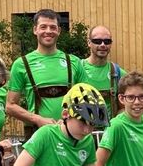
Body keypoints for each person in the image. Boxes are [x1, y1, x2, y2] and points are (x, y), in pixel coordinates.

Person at [6, 9, 88, 138]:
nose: (48, 31)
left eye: (53, 27)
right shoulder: (21, 64)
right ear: (35, 30)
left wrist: (71, 119)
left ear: (59, 31)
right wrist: (37, 119)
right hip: (37, 135)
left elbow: (86, 99)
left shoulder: (74, 62)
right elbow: (10, 106)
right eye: (43, 27)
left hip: (71, 134)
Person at [83, 24, 128, 116]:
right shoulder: (78, 69)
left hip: (110, 128)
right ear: (89, 42)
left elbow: (127, 105)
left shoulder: (118, 73)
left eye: (107, 41)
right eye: (97, 41)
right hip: (83, 129)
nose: (103, 45)